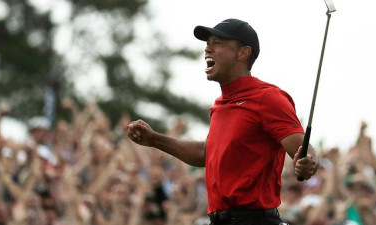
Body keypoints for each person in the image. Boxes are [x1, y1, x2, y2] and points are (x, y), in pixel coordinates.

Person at [127, 18, 320, 225]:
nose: (207, 49)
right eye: (207, 43)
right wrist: (154, 139)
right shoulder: (220, 105)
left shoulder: (268, 97)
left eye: (217, 43)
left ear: (242, 53)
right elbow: (205, 153)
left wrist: (308, 163)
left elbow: (304, 151)